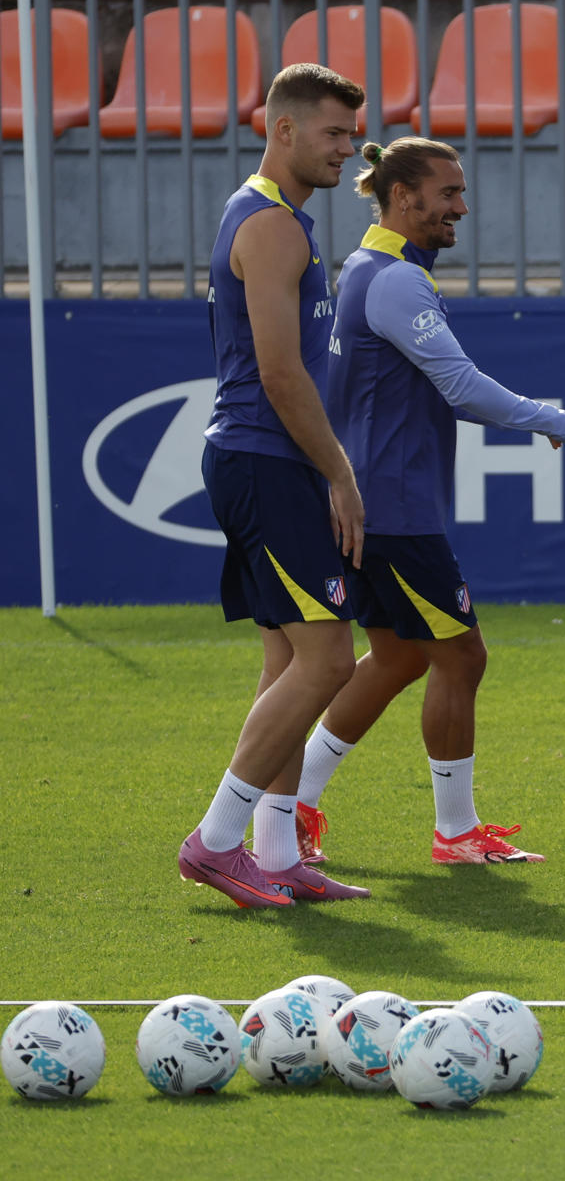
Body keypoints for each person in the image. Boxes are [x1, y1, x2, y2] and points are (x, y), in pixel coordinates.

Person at [293, 137, 565, 866]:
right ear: (404, 197)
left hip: (368, 503)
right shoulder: (396, 280)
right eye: (449, 194)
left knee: (397, 657)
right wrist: (560, 422)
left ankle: (299, 803)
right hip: (395, 511)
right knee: (462, 658)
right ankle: (455, 833)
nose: (461, 207)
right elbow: (462, 389)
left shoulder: (364, 268)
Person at [178, 64, 373, 907]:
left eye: (352, 134)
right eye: (333, 134)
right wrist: (340, 472)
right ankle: (216, 841)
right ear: (282, 128)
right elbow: (280, 373)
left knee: (289, 659)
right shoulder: (272, 228)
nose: (348, 150)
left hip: (261, 456)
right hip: (268, 457)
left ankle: (277, 848)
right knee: (328, 659)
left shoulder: (276, 217)